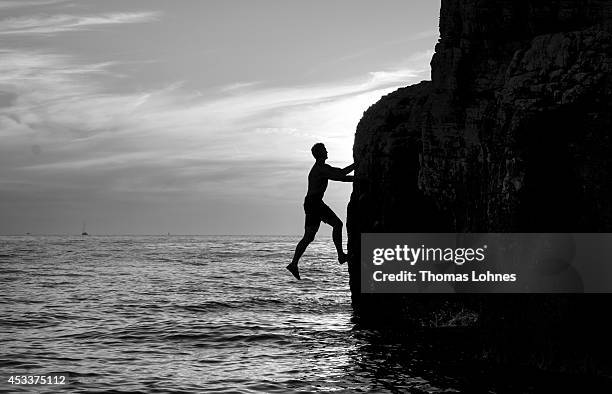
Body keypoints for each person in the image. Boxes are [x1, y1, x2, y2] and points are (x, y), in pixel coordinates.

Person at [286, 143, 355, 280]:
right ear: (319, 153)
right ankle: (341, 255)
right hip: (314, 203)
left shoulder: (321, 168)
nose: (327, 151)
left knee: (309, 237)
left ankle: (294, 264)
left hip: (313, 203)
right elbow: (340, 174)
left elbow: (340, 176)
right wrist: (357, 164)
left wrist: (356, 179)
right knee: (337, 224)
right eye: (324, 150)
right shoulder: (320, 169)